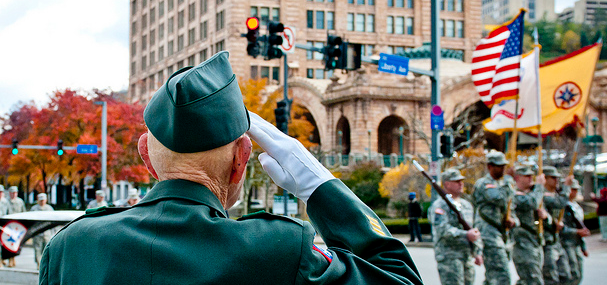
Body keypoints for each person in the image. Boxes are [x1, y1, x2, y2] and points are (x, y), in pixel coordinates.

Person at [39, 51, 422, 284]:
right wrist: (320, 187)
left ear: (146, 156)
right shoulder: (279, 250)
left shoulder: (70, 247)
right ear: (241, 158)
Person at [430, 168, 483, 285]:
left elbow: (473, 229)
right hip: (450, 258)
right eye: (456, 181)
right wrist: (466, 235)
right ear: (447, 184)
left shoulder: (467, 205)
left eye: (461, 181)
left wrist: (477, 251)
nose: (461, 184)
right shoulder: (439, 206)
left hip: (467, 257)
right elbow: (442, 230)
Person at [472, 151, 518, 285]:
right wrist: (509, 180)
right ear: (490, 166)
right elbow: (498, 198)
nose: (502, 169)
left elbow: (510, 206)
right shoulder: (485, 183)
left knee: (494, 277)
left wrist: (512, 220)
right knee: (502, 276)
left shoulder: (503, 185)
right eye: (499, 166)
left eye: (503, 165)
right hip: (489, 235)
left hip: (502, 235)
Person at [512, 166, 546, 285]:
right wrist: (540, 186)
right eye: (527, 176)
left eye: (531, 175)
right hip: (523, 243)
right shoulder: (514, 194)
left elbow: (542, 210)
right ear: (517, 178)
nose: (531, 178)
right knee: (533, 280)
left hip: (536, 241)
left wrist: (546, 216)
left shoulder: (533, 194)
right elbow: (532, 203)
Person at [541, 166, 570, 285]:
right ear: (545, 179)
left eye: (557, 178)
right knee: (551, 278)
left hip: (556, 241)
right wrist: (567, 187)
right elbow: (560, 203)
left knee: (566, 275)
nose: (556, 181)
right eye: (553, 178)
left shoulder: (555, 194)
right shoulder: (543, 195)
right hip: (547, 241)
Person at [558, 180, 590, 285]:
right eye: (573, 189)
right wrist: (577, 231)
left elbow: (580, 226)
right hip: (566, 243)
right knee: (571, 273)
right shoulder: (562, 206)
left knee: (579, 274)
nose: (575, 192)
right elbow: (560, 228)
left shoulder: (577, 207)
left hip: (576, 243)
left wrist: (583, 247)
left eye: (576, 190)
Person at [30, 193, 55, 269]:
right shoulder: (34, 209)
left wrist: (53, 232)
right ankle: (39, 264)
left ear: (46, 200)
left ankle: (46, 265)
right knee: (37, 249)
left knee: (46, 249)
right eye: (40, 200)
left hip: (47, 232)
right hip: (37, 232)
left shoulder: (49, 209)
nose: (42, 202)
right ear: (38, 200)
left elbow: (53, 221)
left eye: (43, 200)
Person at [7, 186, 26, 268]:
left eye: (15, 193)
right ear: (9, 193)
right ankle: (10, 260)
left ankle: (13, 258)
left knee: (15, 244)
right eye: (12, 193)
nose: (13, 194)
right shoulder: (6, 202)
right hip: (8, 225)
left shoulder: (20, 202)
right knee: (8, 243)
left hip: (17, 226)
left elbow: (23, 212)